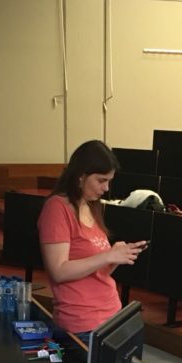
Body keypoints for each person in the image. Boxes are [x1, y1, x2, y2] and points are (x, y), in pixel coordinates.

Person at [39, 140, 147, 336]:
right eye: (101, 180)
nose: (106, 188)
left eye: (109, 181)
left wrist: (117, 256)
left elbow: (97, 272)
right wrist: (107, 256)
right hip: (82, 321)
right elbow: (59, 271)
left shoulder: (91, 206)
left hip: (110, 313)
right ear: (81, 175)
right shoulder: (57, 208)